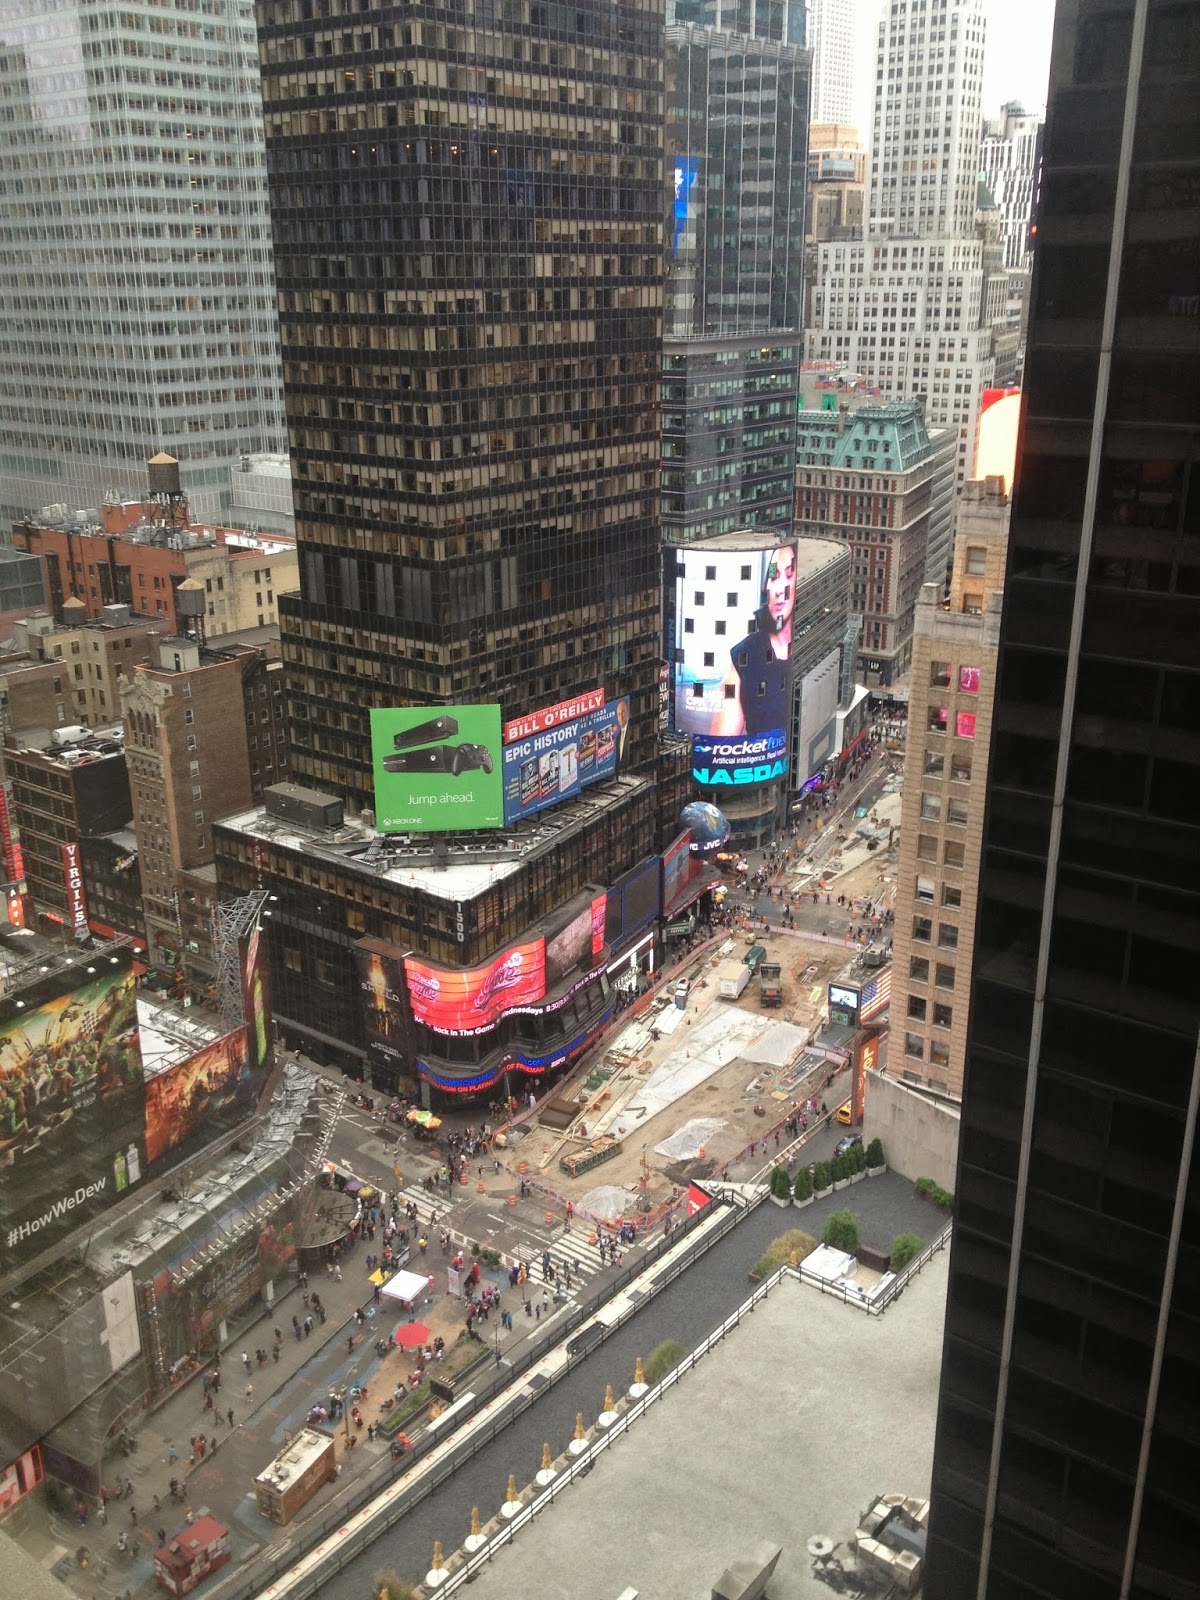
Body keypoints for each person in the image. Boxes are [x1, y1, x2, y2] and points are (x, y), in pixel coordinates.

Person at [714, 545, 796, 737]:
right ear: (767, 586)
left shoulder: (809, 643)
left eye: (789, 574)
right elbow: (720, 744)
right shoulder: (745, 655)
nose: (779, 589)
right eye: (774, 577)